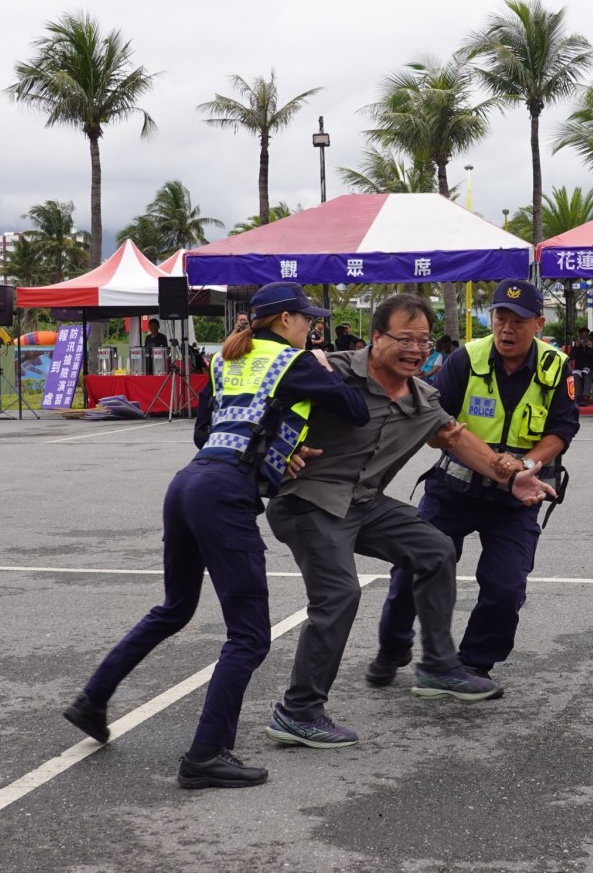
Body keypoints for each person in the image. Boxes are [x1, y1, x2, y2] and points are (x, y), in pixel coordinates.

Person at [63, 282, 370, 789]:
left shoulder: (227, 361)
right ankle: (206, 753)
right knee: (249, 635)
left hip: (189, 482)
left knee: (175, 607)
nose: (312, 327)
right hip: (224, 495)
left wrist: (268, 449)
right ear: (286, 320)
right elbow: (355, 413)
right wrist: (317, 369)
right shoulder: (293, 363)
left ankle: (92, 700)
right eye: (307, 319)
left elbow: (205, 432)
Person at [264, 292, 556, 749]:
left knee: (435, 548)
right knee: (339, 595)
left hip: (365, 505)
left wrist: (511, 478)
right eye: (404, 338)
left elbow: (457, 439)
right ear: (375, 337)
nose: (416, 349)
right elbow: (254, 399)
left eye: (423, 341)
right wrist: (276, 451)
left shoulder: (421, 397)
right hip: (310, 503)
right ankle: (298, 710)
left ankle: (438, 666)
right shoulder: (329, 371)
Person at [369, 280, 579, 695]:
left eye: (518, 321)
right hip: (455, 489)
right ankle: (393, 647)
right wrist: (490, 460)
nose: (506, 329)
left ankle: (473, 664)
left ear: (538, 323)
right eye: (500, 318)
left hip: (518, 498)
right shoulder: (466, 359)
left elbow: (563, 428)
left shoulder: (556, 366)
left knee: (505, 586)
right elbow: (433, 423)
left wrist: (526, 464)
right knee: (412, 571)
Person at [569, 330, 593, 405]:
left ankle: (585, 397)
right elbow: (571, 357)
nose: (584, 338)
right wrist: (576, 347)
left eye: (586, 335)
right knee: (575, 376)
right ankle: (578, 396)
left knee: (587, 375)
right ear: (580, 337)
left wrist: (591, 348)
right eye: (582, 335)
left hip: (591, 370)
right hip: (579, 369)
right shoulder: (577, 347)